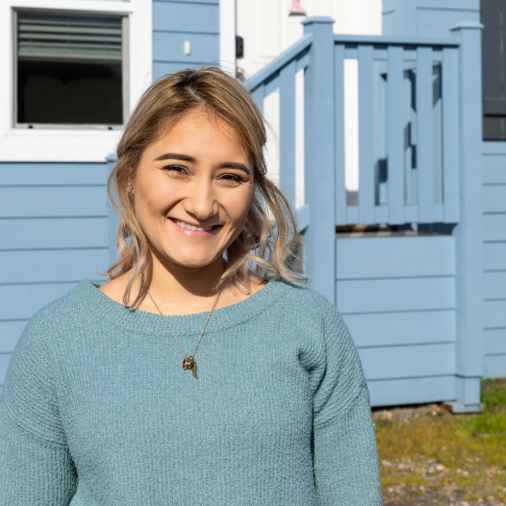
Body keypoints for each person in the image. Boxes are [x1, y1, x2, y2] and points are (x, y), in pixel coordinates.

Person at [0, 67, 382, 505]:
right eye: (177, 168)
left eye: (231, 177)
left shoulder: (310, 326)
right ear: (129, 173)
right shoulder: (57, 339)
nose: (202, 205)